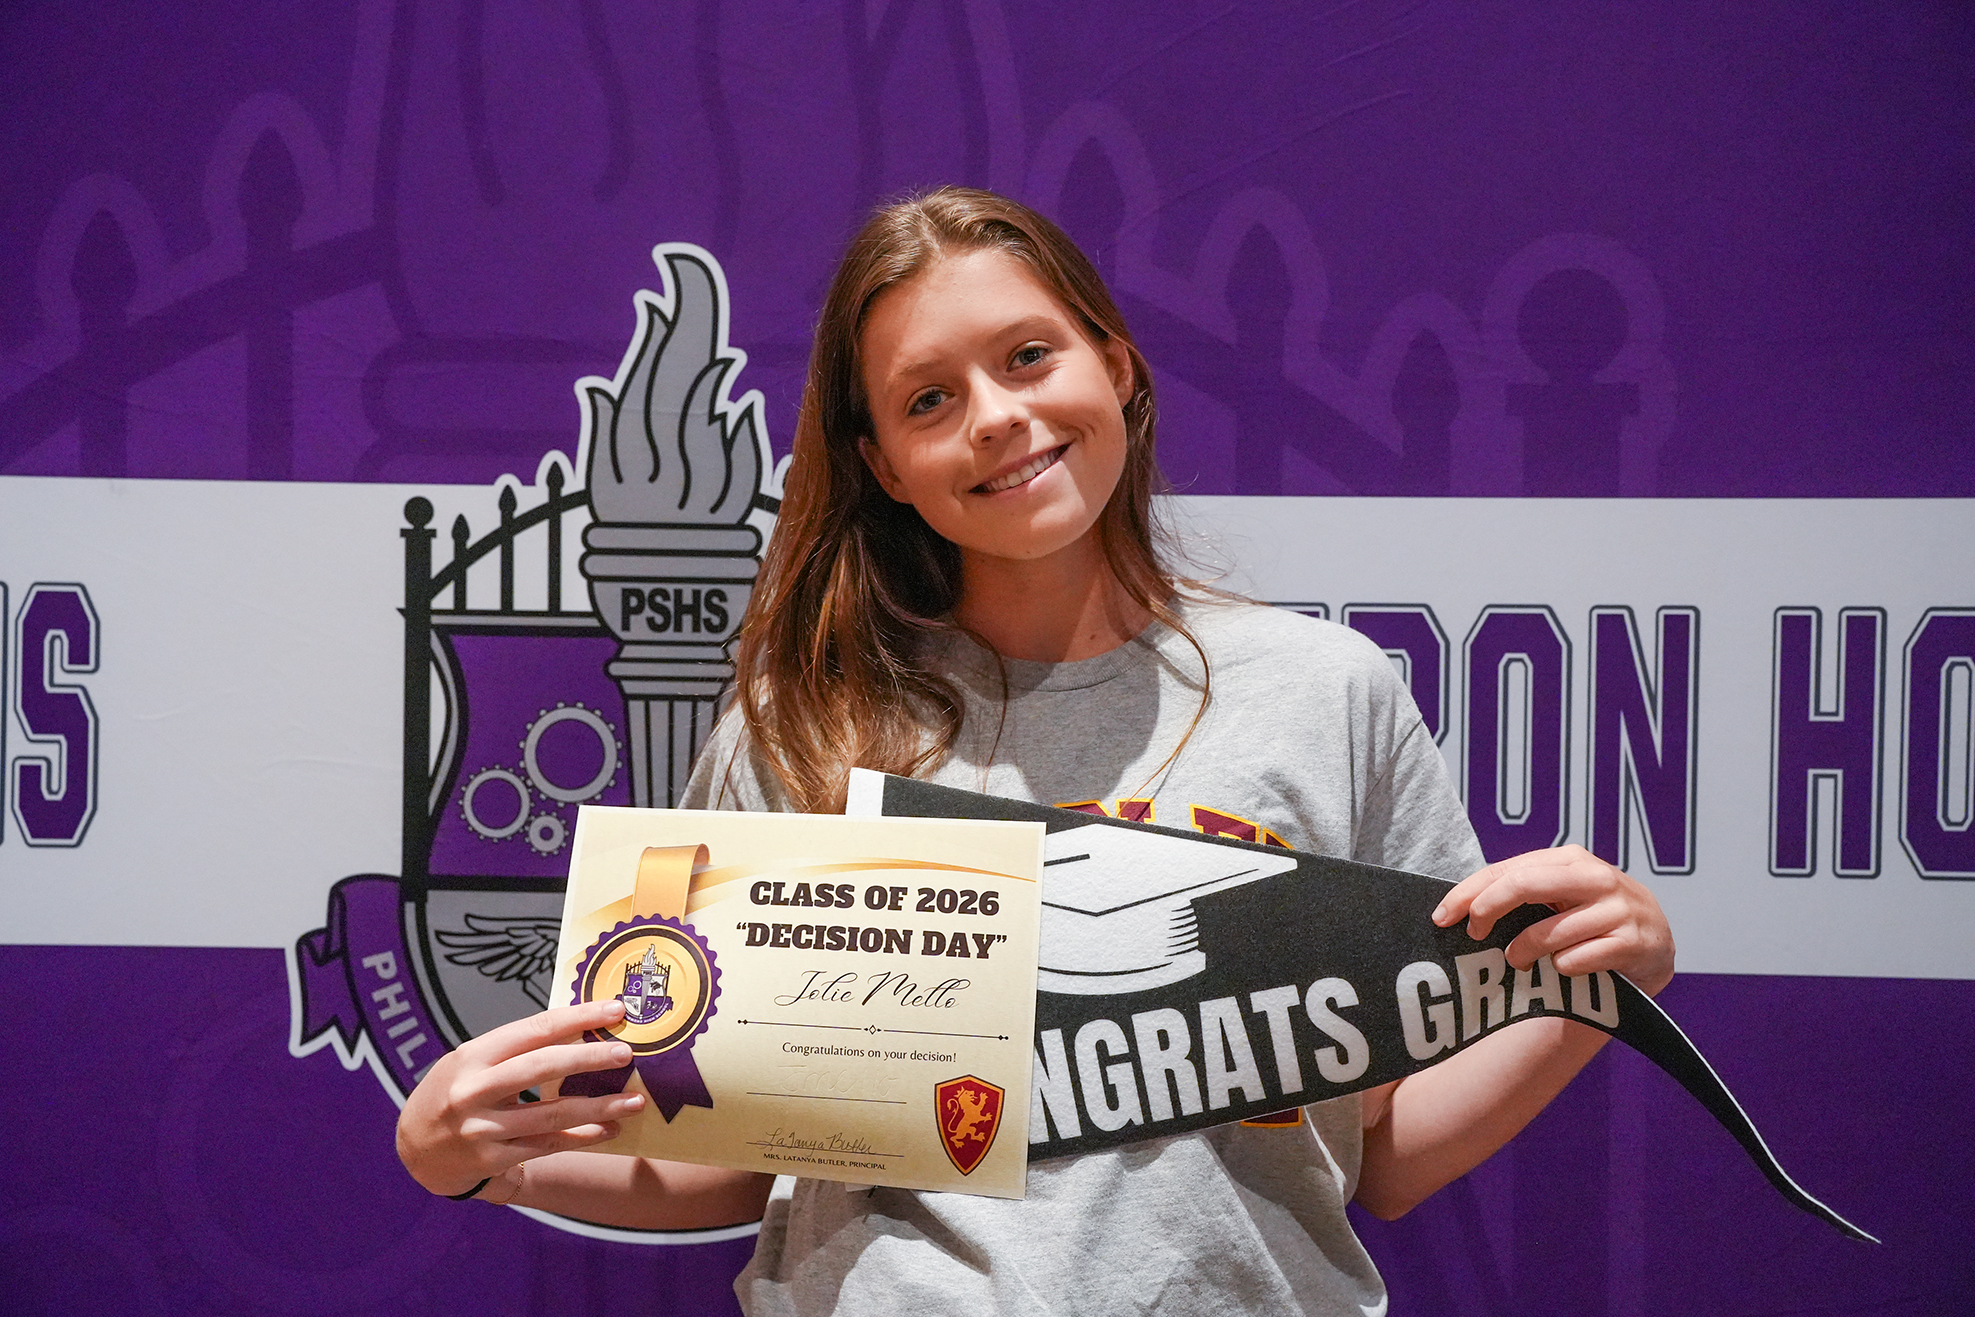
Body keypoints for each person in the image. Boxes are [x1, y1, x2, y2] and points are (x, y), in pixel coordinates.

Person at [396, 186, 1675, 1313]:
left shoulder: (1327, 695)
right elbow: (728, 1150)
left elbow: (1382, 1150)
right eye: (930, 400)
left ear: (1116, 365)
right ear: (883, 465)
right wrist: (472, 1157)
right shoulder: (805, 726)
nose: (997, 419)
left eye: (1028, 356)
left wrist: (1589, 995)